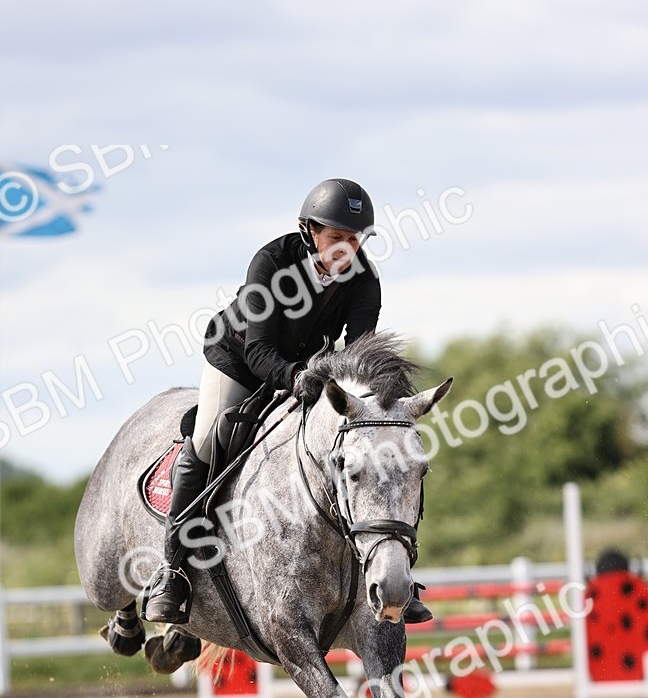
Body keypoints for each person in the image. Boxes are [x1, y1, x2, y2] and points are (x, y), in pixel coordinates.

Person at [142, 177, 431, 626]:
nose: (345, 250)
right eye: (336, 238)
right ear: (310, 231)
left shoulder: (364, 281)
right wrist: (298, 378)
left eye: (355, 240)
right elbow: (259, 352)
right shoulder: (271, 264)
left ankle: (393, 571)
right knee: (206, 439)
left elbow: (357, 357)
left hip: (312, 369)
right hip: (238, 359)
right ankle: (173, 570)